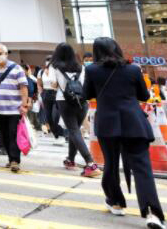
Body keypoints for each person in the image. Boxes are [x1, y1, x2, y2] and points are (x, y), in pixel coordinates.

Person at [86, 37, 165, 228]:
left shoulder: (91, 70)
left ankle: (116, 202)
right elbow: (144, 96)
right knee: (142, 168)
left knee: (111, 164)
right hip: (134, 123)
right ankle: (153, 214)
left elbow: (86, 94)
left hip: (107, 124)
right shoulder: (133, 69)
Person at [51, 42, 100, 177]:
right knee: (75, 130)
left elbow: (53, 84)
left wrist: (59, 83)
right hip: (82, 101)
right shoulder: (81, 67)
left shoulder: (54, 67)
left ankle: (90, 163)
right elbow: (85, 84)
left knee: (73, 130)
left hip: (64, 100)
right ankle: (71, 160)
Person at [0, 44, 30, 173]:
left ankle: (15, 160)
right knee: (4, 136)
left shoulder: (16, 68)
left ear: (6, 54)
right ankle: (11, 159)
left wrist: (24, 105)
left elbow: (23, 87)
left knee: (13, 135)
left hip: (14, 109)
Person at [39, 57, 64, 140]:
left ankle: (60, 132)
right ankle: (55, 132)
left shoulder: (57, 70)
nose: (48, 63)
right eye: (47, 61)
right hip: (46, 93)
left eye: (50, 61)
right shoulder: (41, 71)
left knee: (55, 115)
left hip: (56, 93)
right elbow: (39, 83)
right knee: (48, 116)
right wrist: (41, 93)